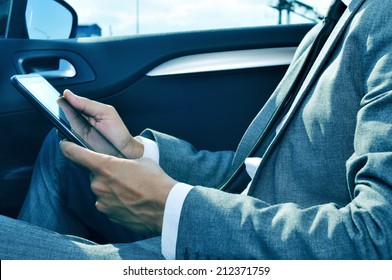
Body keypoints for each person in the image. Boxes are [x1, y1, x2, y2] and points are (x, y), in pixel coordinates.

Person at [1, 0, 392, 259]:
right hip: (259, 223)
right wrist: (137, 153)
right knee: (64, 153)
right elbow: (263, 173)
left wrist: (172, 208)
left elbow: (377, 244)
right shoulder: (342, 15)